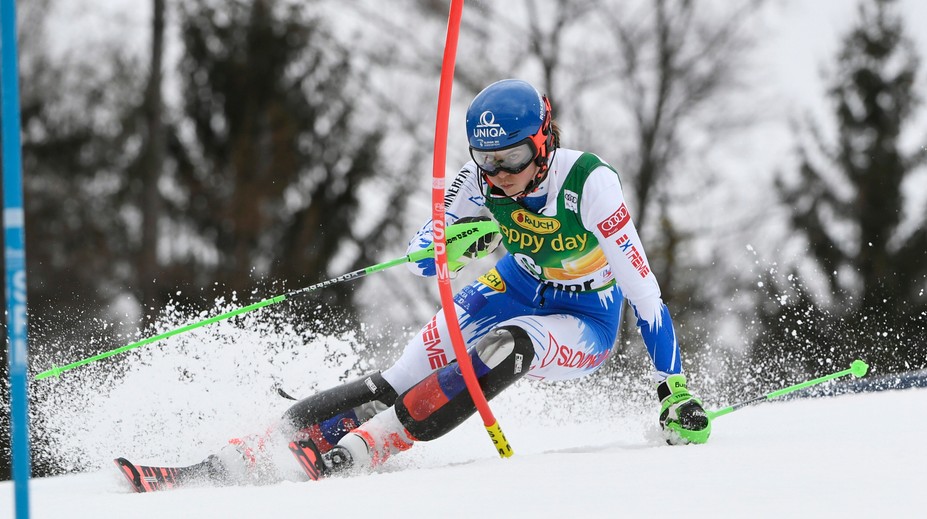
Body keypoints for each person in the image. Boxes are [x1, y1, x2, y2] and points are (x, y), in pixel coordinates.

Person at [246, 79, 710, 481]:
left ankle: (363, 449)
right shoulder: (478, 179)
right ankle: (260, 447)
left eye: (514, 156)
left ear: (543, 141)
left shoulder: (589, 184)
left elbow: (644, 292)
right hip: (514, 285)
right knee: (401, 378)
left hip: (586, 315)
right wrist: (447, 244)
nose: (501, 174)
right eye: (488, 159)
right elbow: (419, 256)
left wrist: (673, 388)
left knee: (509, 345)